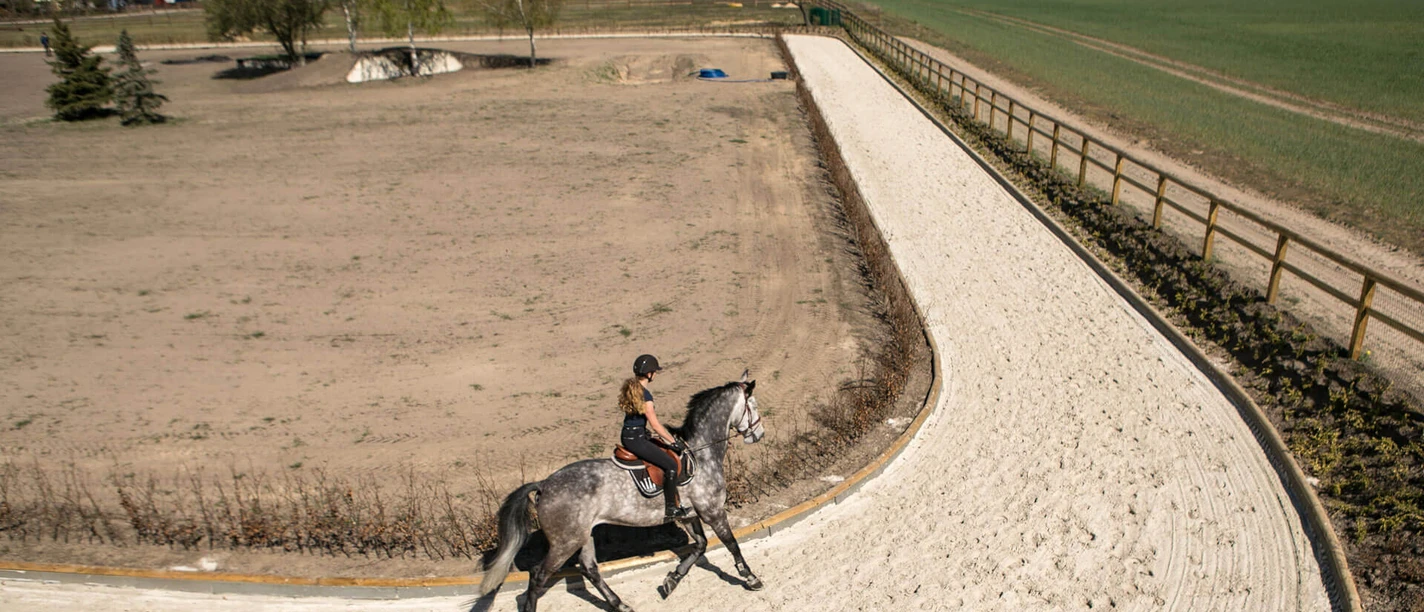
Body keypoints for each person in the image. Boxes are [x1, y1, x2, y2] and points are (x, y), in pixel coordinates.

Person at [619, 354, 688, 520]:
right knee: (671, 465)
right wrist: (674, 442)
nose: (655, 374)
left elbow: (635, 419)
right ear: (649, 374)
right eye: (654, 371)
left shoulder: (632, 388)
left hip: (630, 434)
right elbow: (656, 425)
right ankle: (671, 508)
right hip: (636, 439)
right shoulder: (646, 396)